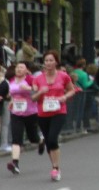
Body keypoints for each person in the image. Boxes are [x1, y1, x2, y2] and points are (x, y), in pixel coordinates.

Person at [30, 51, 79, 181]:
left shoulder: (63, 76)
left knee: (52, 139)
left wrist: (64, 97)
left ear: (56, 62)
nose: (48, 63)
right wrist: (40, 92)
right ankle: (54, 165)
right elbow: (33, 98)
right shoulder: (38, 79)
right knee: (48, 141)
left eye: (51, 60)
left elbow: (72, 90)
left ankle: (56, 168)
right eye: (46, 60)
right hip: (43, 113)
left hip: (59, 111)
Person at [5, 62, 38, 175]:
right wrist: (11, 101)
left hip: (30, 112)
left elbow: (37, 90)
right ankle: (15, 163)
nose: (19, 69)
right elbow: (12, 94)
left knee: (33, 138)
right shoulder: (12, 80)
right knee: (16, 138)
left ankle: (41, 141)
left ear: (26, 70)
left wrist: (28, 88)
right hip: (16, 113)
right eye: (17, 68)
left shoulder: (30, 79)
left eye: (21, 68)